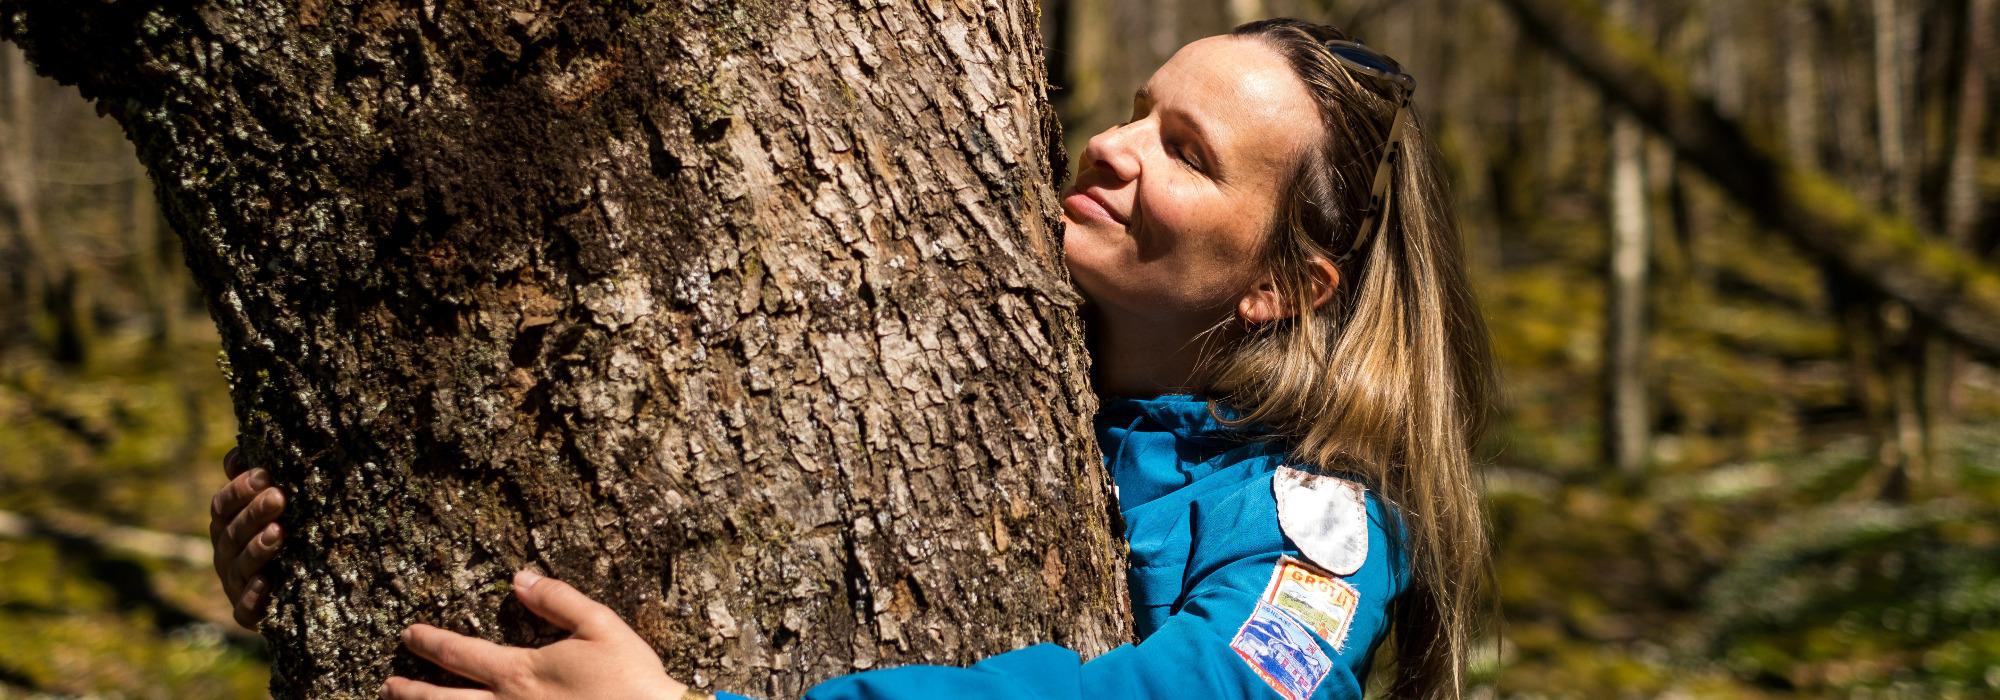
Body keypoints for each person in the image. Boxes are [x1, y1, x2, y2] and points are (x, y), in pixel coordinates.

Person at [207, 17, 1495, 700]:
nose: (1111, 145)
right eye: (1135, 109)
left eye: (1188, 153)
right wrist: (339, 554)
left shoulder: (1311, 524)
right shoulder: (1038, 369)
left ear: (1283, 288)